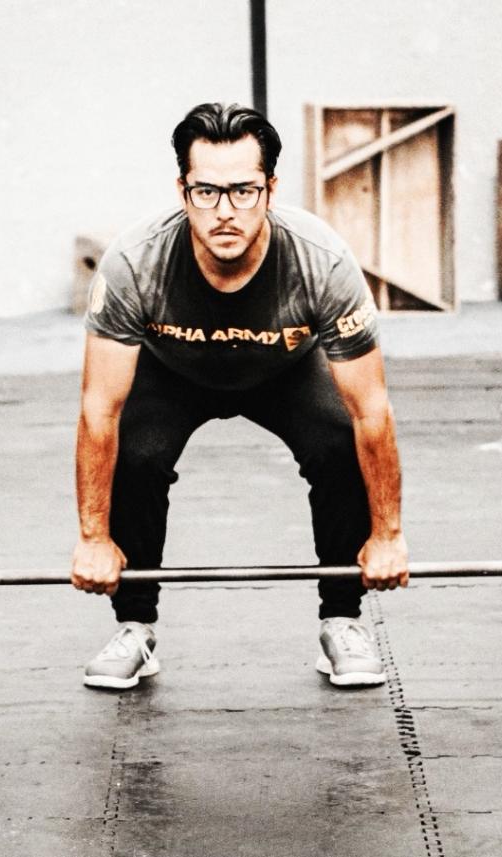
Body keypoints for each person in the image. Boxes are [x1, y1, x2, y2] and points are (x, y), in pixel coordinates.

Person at [71, 102, 409, 691]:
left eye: (243, 191)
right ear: (182, 191)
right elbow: (99, 411)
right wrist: (94, 540)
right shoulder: (133, 263)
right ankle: (134, 627)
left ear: (270, 189)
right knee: (135, 452)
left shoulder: (323, 263)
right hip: (172, 371)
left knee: (339, 442)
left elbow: (370, 411)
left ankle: (342, 621)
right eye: (206, 192)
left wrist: (388, 536)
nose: (225, 211)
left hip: (286, 368)